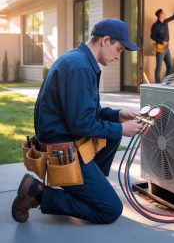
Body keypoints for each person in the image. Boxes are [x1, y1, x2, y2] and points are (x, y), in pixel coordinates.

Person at [12, 19, 144, 224]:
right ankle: (37, 193)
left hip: (65, 139)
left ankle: (89, 188)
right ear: (105, 40)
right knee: (110, 210)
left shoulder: (79, 60)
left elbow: (86, 112)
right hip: (61, 149)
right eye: (119, 49)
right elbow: (81, 124)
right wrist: (121, 129)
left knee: (111, 137)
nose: (118, 57)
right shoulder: (79, 68)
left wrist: (116, 115)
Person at [150, 8, 174, 83]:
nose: (165, 14)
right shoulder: (155, 26)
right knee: (159, 67)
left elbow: (172, 17)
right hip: (159, 48)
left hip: (167, 49)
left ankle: (167, 83)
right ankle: (157, 84)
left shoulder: (165, 22)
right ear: (160, 15)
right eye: (163, 13)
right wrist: (162, 41)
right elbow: (152, 36)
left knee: (170, 66)